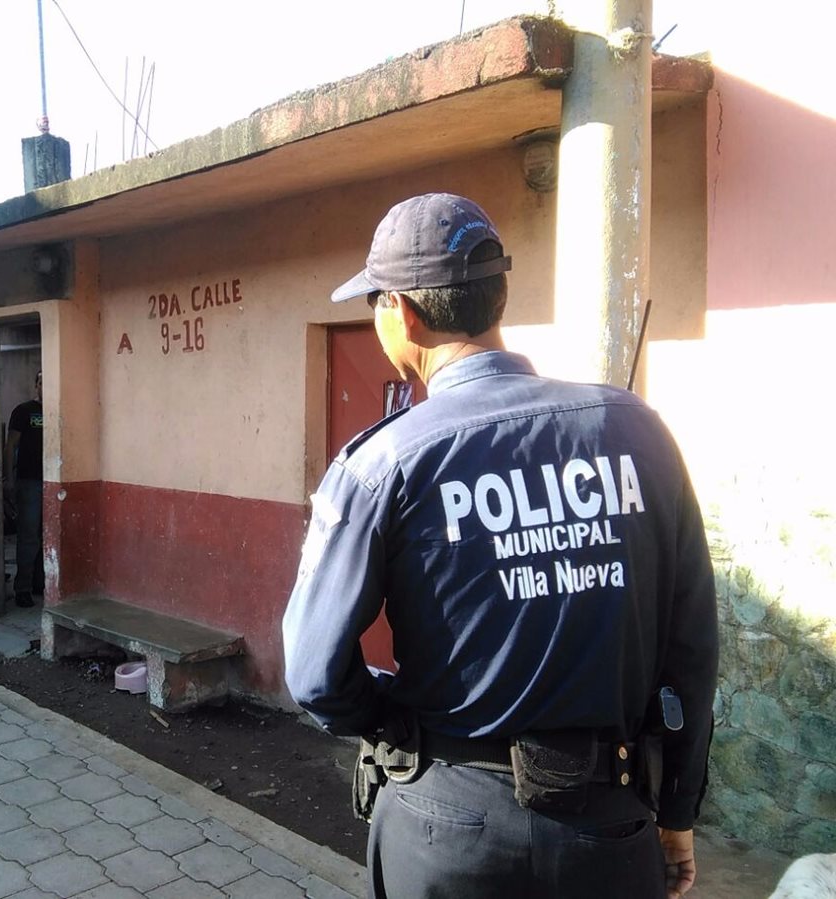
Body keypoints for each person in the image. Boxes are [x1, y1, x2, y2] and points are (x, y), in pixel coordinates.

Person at [281, 193, 718, 898]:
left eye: (375, 304)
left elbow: (314, 672)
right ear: (497, 296)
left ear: (404, 313)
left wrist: (391, 722)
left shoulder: (383, 462)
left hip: (444, 828)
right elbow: (692, 649)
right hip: (611, 827)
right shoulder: (641, 434)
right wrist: (678, 811)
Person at [4, 371, 44, 608]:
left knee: (47, 537)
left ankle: (41, 583)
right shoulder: (23, 411)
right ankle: (23, 588)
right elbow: (10, 447)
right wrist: (8, 480)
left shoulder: (60, 408)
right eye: (41, 382)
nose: (45, 387)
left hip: (53, 483)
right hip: (29, 482)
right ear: (36, 385)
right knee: (29, 538)